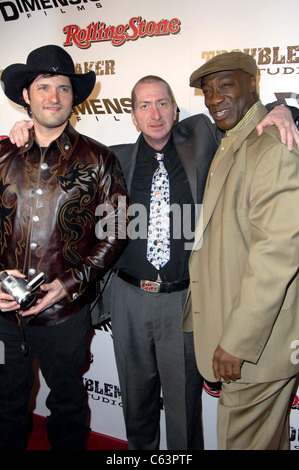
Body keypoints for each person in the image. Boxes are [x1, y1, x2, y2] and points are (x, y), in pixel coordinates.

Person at [8, 75, 299, 451]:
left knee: (183, 409)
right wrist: (27, 127)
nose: (155, 113)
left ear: (176, 109)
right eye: (144, 105)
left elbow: (245, 117)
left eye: (162, 103)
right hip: (128, 300)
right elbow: (59, 156)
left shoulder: (205, 141)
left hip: (185, 302)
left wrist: (284, 112)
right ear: (132, 116)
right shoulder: (113, 158)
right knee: (136, 404)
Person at [0, 45, 128, 450]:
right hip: (3, 313)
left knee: (68, 406)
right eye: (43, 87)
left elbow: (119, 229)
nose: (53, 97)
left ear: (75, 98)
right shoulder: (2, 154)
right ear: (27, 95)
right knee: (6, 405)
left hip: (65, 314)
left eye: (63, 88)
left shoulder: (100, 159)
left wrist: (69, 283)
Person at [182, 51, 299, 450]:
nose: (214, 98)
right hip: (239, 332)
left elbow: (276, 256)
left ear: (253, 83)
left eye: (226, 85)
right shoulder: (232, 139)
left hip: (254, 348)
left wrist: (238, 341)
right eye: (207, 91)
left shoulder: (271, 146)